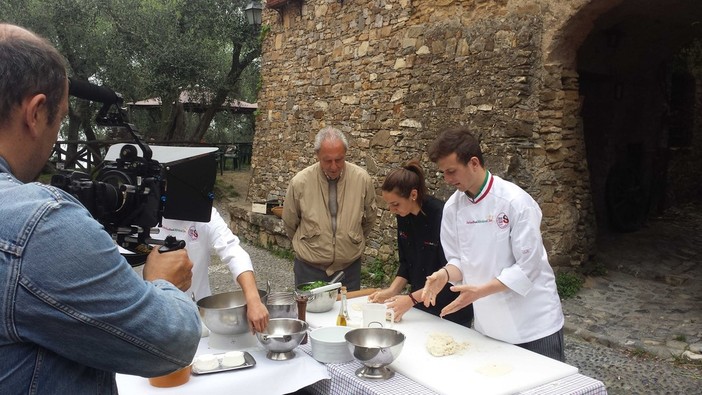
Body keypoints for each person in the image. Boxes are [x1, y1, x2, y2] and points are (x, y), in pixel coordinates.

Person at [0, 23, 201, 393]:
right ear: (34, 113)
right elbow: (173, 342)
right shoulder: (40, 225)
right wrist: (161, 283)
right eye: (59, 118)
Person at [422, 127, 566, 362]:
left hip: (534, 325)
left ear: (474, 163)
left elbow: (528, 268)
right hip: (489, 326)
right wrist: (444, 274)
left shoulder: (515, 202)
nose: (447, 180)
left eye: (451, 171)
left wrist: (479, 292)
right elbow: (459, 261)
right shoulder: (452, 208)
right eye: (443, 173)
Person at [369, 161, 474, 326]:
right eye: (388, 204)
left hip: (451, 307)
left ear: (413, 194)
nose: (391, 210)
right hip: (420, 304)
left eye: (395, 204)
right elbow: (406, 263)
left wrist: (410, 299)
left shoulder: (442, 215)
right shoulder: (403, 215)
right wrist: (392, 290)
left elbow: (450, 273)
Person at [282, 126, 377, 291]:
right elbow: (290, 222)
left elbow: (369, 219)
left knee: (347, 315)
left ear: (346, 154)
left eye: (339, 159)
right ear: (317, 155)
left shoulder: (362, 180)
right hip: (309, 268)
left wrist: (350, 240)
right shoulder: (300, 183)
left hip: (349, 269)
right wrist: (312, 245)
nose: (334, 166)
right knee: (309, 316)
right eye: (327, 160)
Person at [154, 207, 269, 333]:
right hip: (155, 317)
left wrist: (254, 300)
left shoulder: (204, 212)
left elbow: (232, 250)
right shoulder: (145, 212)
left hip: (199, 315)